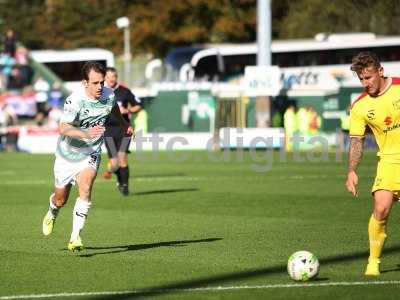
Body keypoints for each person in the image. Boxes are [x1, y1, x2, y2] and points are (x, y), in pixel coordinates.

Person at [41, 62, 133, 251]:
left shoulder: (108, 94)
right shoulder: (75, 100)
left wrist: (124, 125)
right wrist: (85, 133)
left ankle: (75, 238)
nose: (100, 87)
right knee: (60, 200)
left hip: (91, 152)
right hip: (68, 154)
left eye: (102, 82)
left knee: (86, 185)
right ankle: (52, 211)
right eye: (95, 83)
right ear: (85, 83)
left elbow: (113, 107)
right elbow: (63, 128)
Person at [345, 51, 400, 276]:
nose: (365, 83)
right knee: (381, 207)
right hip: (389, 160)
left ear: (380, 71)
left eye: (369, 77)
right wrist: (352, 170)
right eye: (361, 79)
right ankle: (373, 262)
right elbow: (357, 142)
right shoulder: (359, 106)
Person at [102, 67, 142, 196]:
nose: (110, 79)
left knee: (122, 158)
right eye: (107, 77)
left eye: (113, 77)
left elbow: (138, 105)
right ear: (104, 78)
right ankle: (119, 181)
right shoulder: (102, 92)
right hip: (108, 131)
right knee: (114, 164)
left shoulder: (125, 91)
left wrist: (128, 110)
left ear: (116, 77)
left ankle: (125, 186)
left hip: (124, 130)